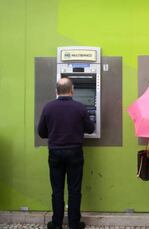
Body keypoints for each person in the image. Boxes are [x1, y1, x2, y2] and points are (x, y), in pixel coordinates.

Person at [38, 78, 95, 229]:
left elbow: (41, 132)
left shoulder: (48, 107)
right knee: (74, 189)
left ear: (56, 91)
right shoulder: (80, 107)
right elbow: (90, 129)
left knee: (57, 189)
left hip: (55, 152)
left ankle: (56, 224)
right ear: (72, 90)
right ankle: (74, 224)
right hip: (75, 152)